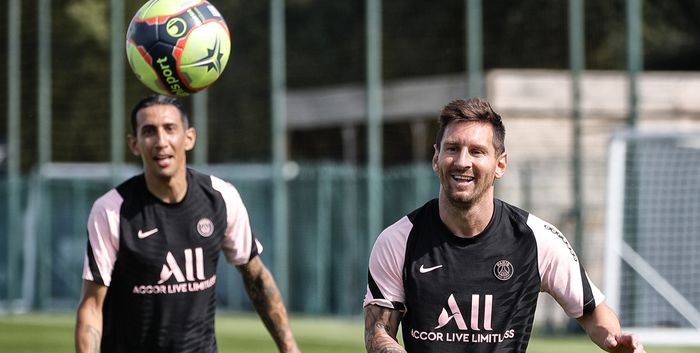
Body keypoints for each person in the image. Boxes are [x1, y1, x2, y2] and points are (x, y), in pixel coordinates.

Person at [363, 98, 645, 353]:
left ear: (500, 164)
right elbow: (378, 332)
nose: (462, 162)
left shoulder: (535, 239)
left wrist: (613, 340)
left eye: (477, 151)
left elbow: (593, 312)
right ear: (436, 158)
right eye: (452, 149)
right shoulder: (399, 240)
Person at [75, 94, 300, 353]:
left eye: (170, 129)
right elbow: (92, 306)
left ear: (189, 137)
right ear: (134, 144)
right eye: (149, 132)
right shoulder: (112, 210)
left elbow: (257, 277)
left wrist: (290, 349)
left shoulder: (220, 197)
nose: (161, 142)